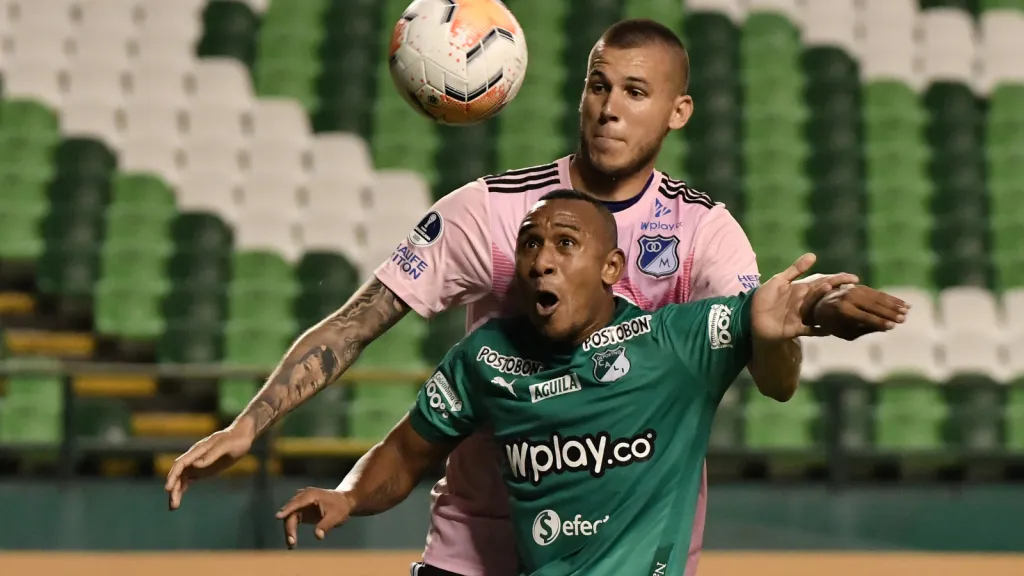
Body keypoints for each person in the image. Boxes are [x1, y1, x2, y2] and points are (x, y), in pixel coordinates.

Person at [165, 19, 908, 576]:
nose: (609, 108)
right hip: (475, 545)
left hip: (620, 552)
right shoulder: (491, 211)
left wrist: (805, 319)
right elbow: (361, 319)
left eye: (636, 93)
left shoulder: (702, 232)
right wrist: (251, 421)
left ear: (677, 113)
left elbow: (771, 370)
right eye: (598, 85)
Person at [274, 191, 908, 576]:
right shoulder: (484, 359)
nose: (541, 258)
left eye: (565, 243)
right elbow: (407, 451)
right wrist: (347, 496)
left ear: (611, 268)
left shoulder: (674, 345)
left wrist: (820, 309)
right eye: (530, 244)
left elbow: (770, 312)